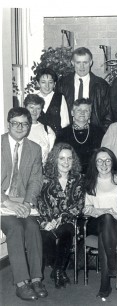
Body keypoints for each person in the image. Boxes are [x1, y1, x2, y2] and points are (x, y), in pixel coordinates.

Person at [1, 107, 47, 301]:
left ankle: (36, 279)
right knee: (15, 228)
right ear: (8, 124)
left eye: (24, 123)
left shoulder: (34, 148)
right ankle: (21, 283)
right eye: (15, 123)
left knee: (32, 227)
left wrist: (28, 203)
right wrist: (7, 202)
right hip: (2, 201)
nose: (20, 127)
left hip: (23, 202)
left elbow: (36, 180)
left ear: (29, 126)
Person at [37, 143, 85, 289]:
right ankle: (57, 269)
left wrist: (60, 219)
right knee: (46, 236)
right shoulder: (44, 180)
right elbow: (40, 204)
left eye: (69, 159)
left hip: (70, 222)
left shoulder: (79, 179)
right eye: (62, 158)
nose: (66, 162)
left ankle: (58, 272)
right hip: (48, 222)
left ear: (73, 161)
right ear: (54, 160)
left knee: (66, 230)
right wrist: (46, 223)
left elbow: (79, 205)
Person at [84, 147, 117, 299]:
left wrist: (115, 214)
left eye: (107, 160)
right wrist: (105, 212)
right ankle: (112, 265)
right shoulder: (90, 181)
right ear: (94, 164)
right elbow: (86, 209)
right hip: (97, 222)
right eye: (99, 161)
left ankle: (105, 284)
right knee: (105, 220)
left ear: (112, 162)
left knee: (104, 234)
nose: (104, 164)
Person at [56, 47, 112, 130]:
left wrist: (101, 133)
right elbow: (56, 111)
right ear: (72, 63)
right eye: (78, 62)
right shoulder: (62, 84)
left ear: (90, 63)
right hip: (69, 131)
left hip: (93, 132)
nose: (82, 67)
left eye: (85, 62)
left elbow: (109, 115)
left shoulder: (101, 85)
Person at [56, 98, 104, 173]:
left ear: (90, 114)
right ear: (72, 113)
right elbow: (57, 156)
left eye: (86, 110)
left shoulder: (98, 132)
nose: (82, 113)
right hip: (70, 173)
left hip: (93, 173)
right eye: (79, 110)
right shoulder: (63, 133)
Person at [35, 67, 70, 135]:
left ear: (54, 84)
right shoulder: (33, 98)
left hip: (56, 138)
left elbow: (65, 122)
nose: (47, 86)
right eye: (43, 82)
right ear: (38, 83)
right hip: (37, 138)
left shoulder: (60, 98)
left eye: (50, 82)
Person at [24, 94, 56, 163]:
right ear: (25, 108)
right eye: (31, 107)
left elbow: (50, 157)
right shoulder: (19, 127)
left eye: (38, 108)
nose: (34, 111)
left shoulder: (47, 130)